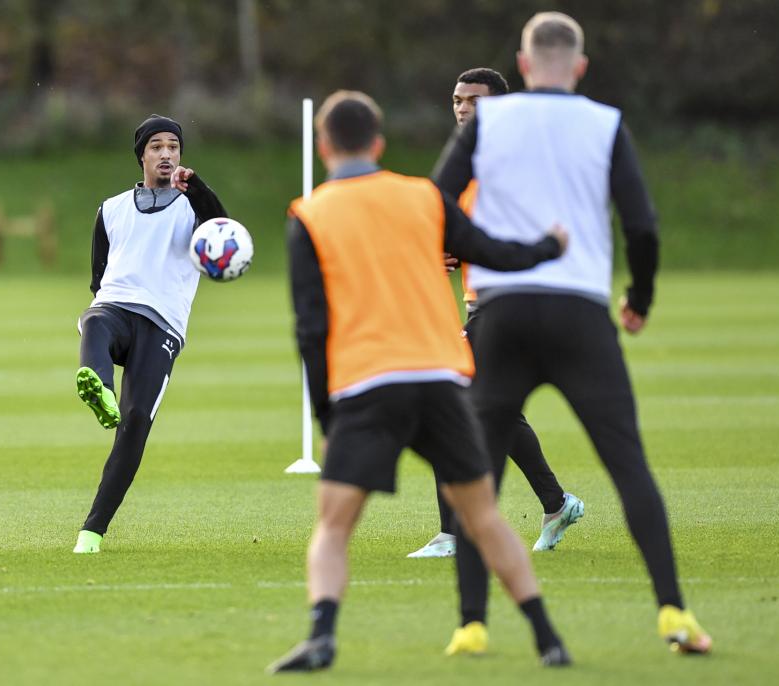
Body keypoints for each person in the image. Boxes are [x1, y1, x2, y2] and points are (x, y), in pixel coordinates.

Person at [433, 12, 712, 654]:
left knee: (479, 474)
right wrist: (638, 298)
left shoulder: (490, 124)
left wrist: (476, 248)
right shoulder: (605, 123)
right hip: (582, 313)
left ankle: (471, 625)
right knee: (628, 465)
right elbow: (642, 226)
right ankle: (673, 612)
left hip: (501, 310)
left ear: (524, 68)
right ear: (579, 69)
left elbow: (436, 202)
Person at [268, 90, 572, 672]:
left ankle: (322, 636)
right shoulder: (424, 196)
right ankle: (546, 636)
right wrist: (547, 247)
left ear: (324, 145)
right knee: (483, 517)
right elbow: (490, 252)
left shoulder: (309, 214)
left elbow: (310, 327)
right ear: (379, 143)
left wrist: (326, 415)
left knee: (333, 526)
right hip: (440, 377)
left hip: (367, 382)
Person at [409, 66, 584, 562]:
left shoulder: (515, 163)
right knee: (493, 407)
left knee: (447, 399)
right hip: (483, 303)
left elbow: (526, 231)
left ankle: (454, 531)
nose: (462, 107)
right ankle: (556, 503)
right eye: (457, 99)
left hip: (512, 301)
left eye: (474, 100)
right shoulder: (465, 163)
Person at [72, 114, 227, 554]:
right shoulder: (111, 209)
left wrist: (195, 187)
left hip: (163, 324)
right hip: (118, 304)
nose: (166, 153)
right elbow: (98, 275)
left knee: (136, 421)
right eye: (157, 146)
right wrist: (103, 299)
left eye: (173, 147)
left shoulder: (192, 205)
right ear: (141, 155)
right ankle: (98, 385)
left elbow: (222, 226)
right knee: (95, 318)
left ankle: (91, 533)